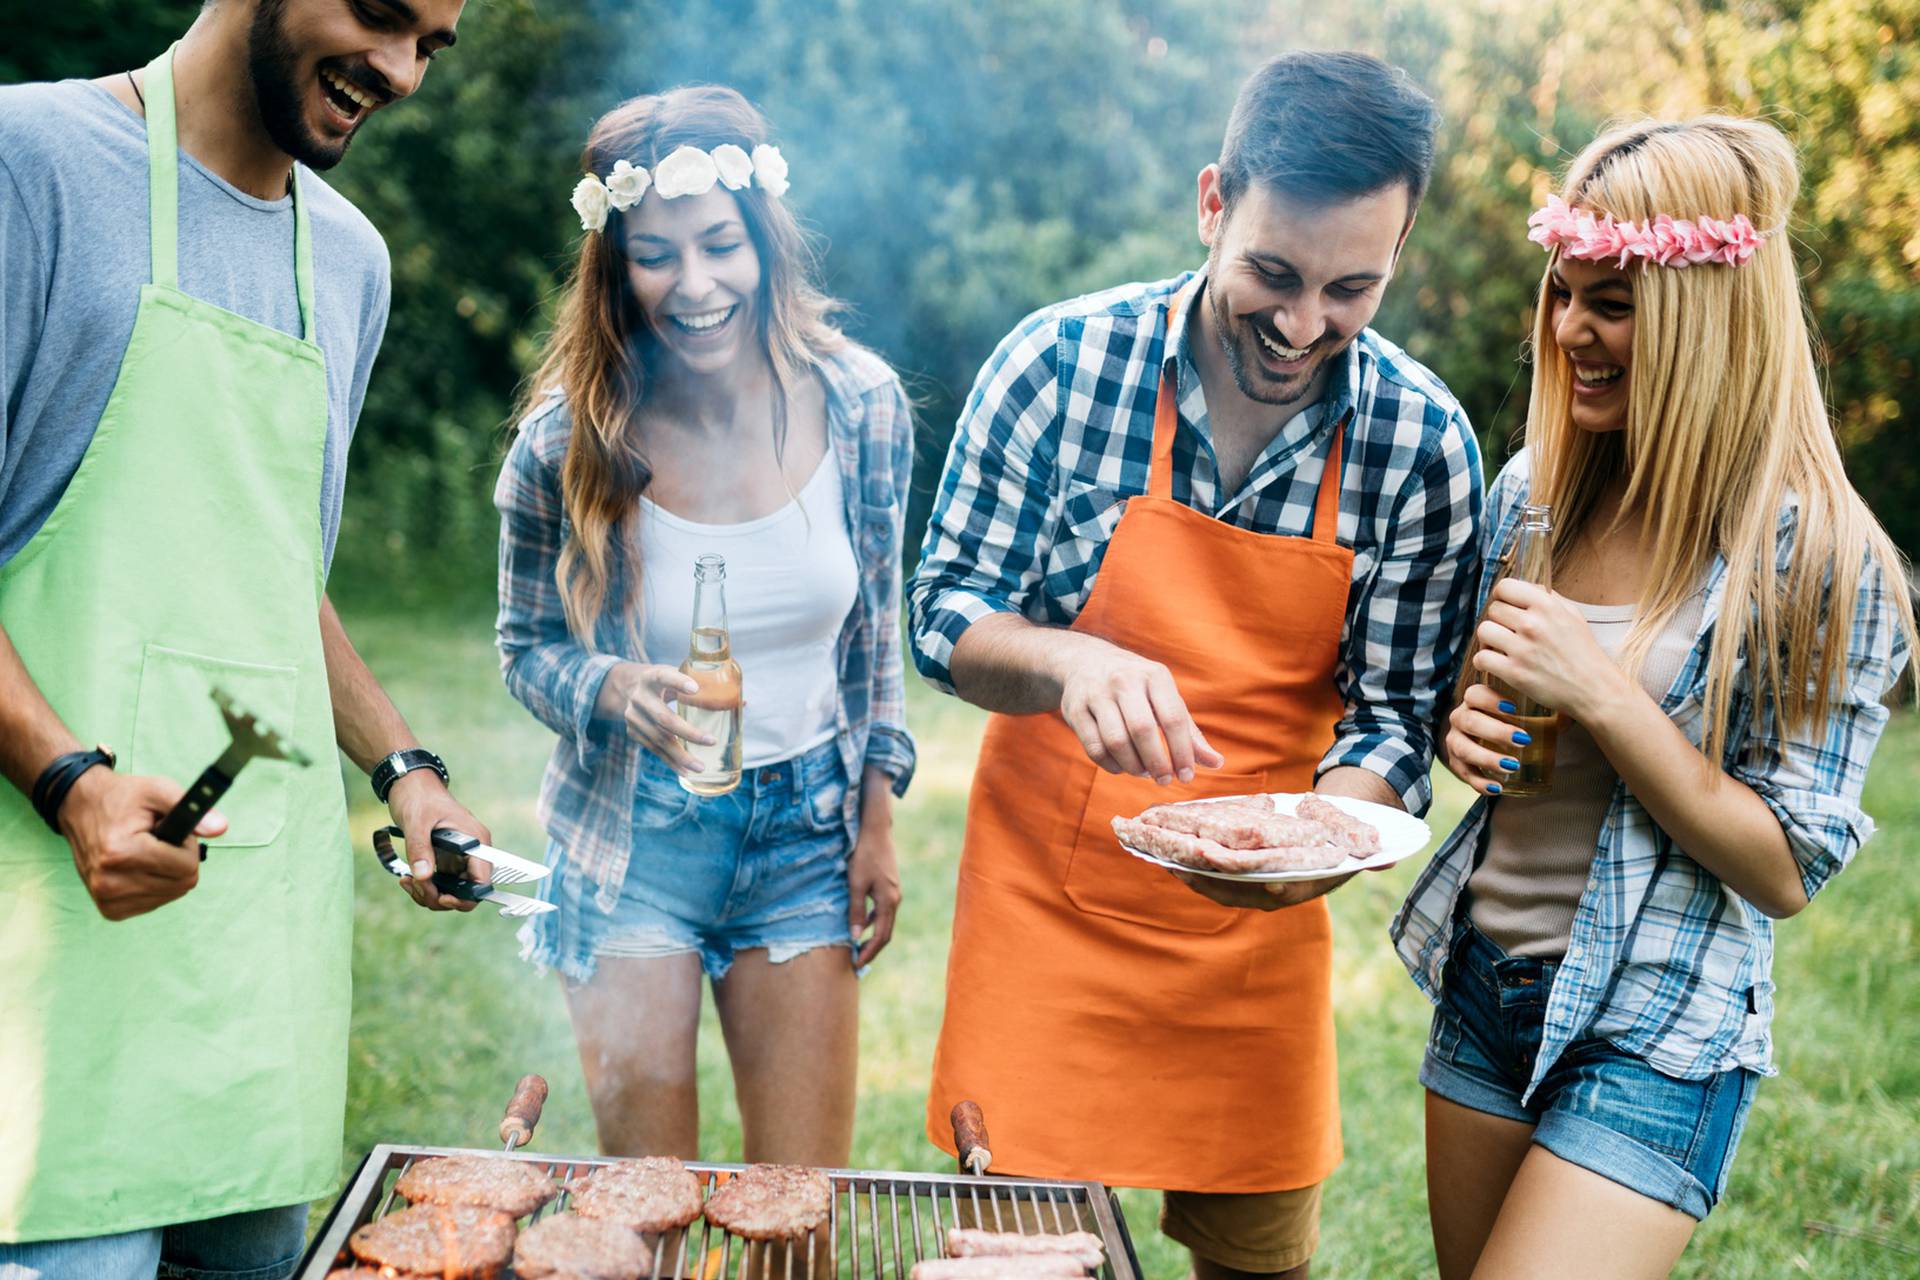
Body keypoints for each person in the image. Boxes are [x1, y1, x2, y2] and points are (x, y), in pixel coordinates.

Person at [910, 52, 1483, 1280]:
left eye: (1350, 289)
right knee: (1009, 1262)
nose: (1299, 325)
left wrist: (1326, 835)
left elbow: (1393, 714)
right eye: (1273, 274)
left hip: (1256, 945)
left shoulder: (1422, 443)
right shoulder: (1058, 366)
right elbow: (946, 610)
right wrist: (1064, 661)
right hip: (1042, 919)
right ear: (1214, 202)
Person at [0, 0, 495, 1276]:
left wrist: (406, 768)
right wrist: (68, 778)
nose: (399, 73)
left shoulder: (351, 262)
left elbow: (277, 571)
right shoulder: (30, 166)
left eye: (430, 46)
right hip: (52, 960)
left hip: (258, 963)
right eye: (383, 16)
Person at [1392, 116, 1914, 1279]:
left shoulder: (1819, 556)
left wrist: (1608, 695)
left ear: (1705, 318)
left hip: (1664, 1024)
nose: (1572, 330)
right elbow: (1481, 715)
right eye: (1564, 293)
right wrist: (1457, 726)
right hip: (1488, 986)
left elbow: (1784, 865)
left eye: (1613, 303)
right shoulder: (1538, 490)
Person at [495, 86, 916, 1169]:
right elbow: (527, 646)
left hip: (804, 841)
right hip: (632, 843)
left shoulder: (861, 403)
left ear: (764, 241)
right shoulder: (565, 442)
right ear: (614, 265)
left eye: (720, 245)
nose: (695, 284)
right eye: (657, 255)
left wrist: (876, 816)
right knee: (650, 1217)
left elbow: (875, 637)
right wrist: (610, 687)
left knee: (798, 1212)